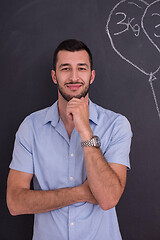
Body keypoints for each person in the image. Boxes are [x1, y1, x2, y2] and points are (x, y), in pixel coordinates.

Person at [7, 39, 132, 240]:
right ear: (54, 76)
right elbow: (15, 203)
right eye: (65, 68)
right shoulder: (31, 127)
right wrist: (81, 193)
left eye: (81, 68)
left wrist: (85, 130)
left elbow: (108, 198)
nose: (74, 77)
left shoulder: (117, 125)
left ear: (91, 76)